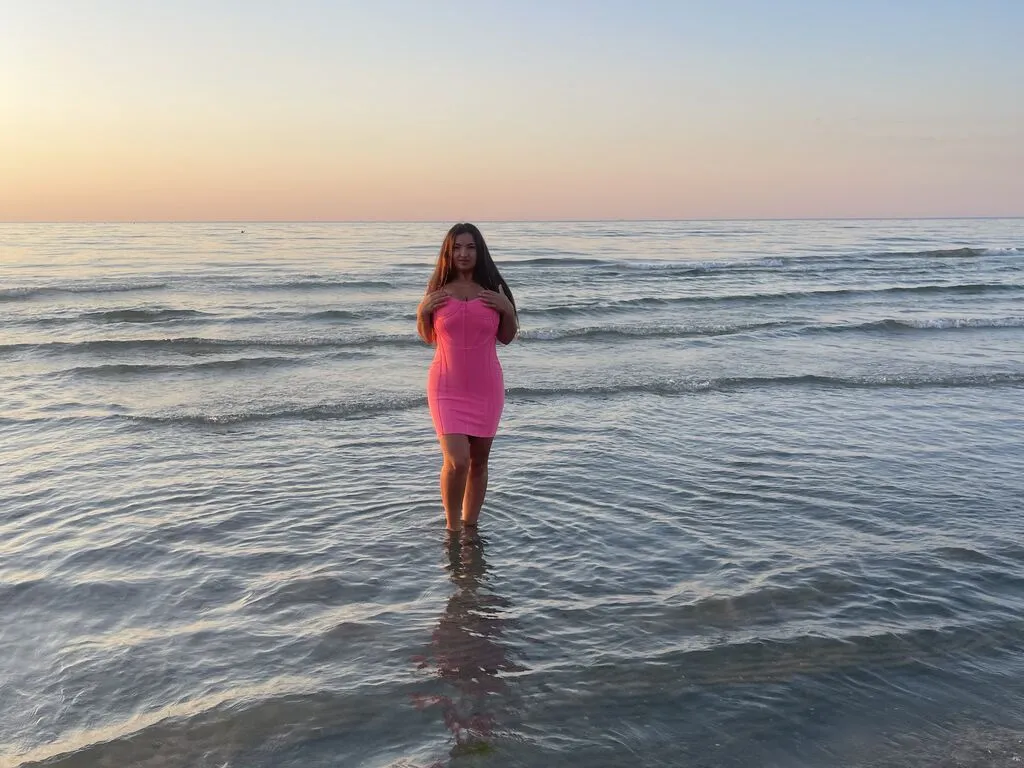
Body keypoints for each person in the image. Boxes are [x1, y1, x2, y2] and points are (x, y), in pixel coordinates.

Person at [417, 223, 517, 532]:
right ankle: (452, 528)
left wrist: (507, 310)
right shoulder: (437, 290)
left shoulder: (493, 289)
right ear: (448, 253)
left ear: (479, 251)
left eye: (470, 247)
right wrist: (422, 311)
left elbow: (507, 337)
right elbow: (427, 336)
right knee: (457, 460)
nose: (463, 253)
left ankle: (470, 527)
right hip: (446, 386)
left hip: (487, 387)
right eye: (457, 248)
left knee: (479, 461)